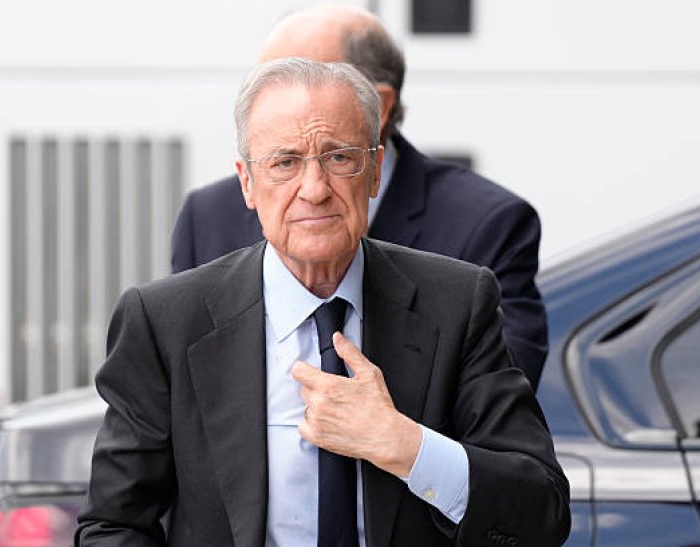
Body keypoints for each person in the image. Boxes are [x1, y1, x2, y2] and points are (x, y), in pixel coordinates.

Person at [77, 58, 570, 546]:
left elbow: (541, 514)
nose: (314, 190)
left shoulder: (457, 304)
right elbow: (113, 526)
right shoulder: (166, 322)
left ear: (374, 172)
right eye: (285, 163)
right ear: (247, 183)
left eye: (339, 158)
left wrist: (404, 445)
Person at [170, 4, 549, 389]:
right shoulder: (209, 217)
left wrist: (387, 424)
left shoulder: (487, 224)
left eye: (308, 79)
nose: (313, 190)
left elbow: (501, 401)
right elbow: (182, 388)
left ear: (380, 107)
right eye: (268, 82)